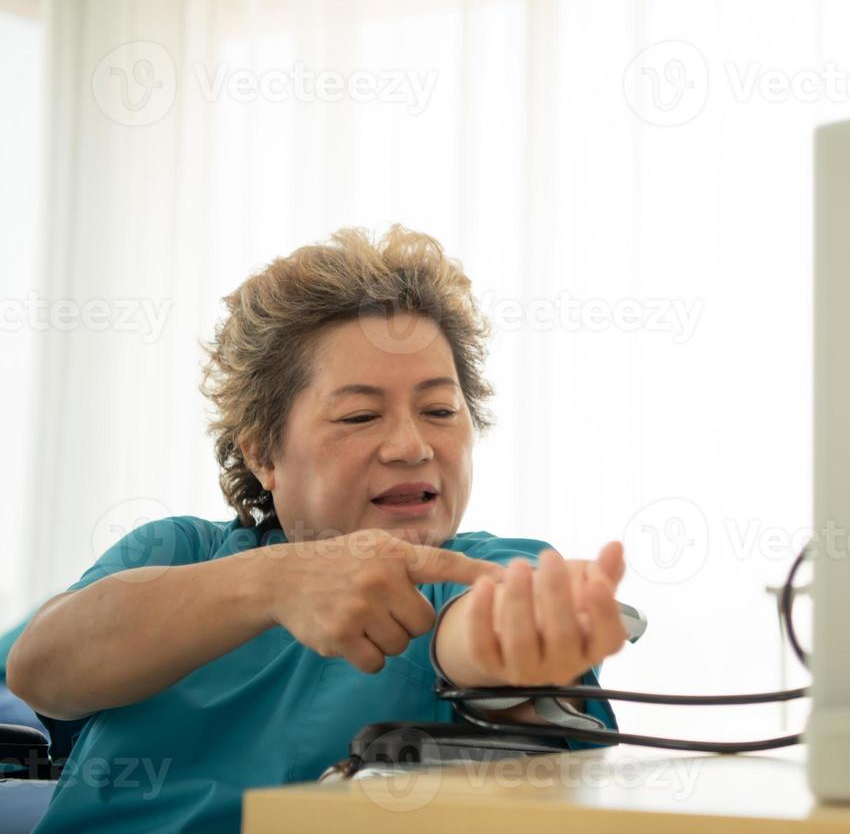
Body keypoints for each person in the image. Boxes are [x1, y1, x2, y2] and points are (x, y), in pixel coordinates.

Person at [5, 226, 629, 831]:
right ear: (263, 455)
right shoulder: (178, 550)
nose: (412, 446)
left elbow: (482, 629)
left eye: (440, 409)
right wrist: (273, 583)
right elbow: (41, 671)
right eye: (359, 415)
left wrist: (517, 643)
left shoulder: (476, 569)